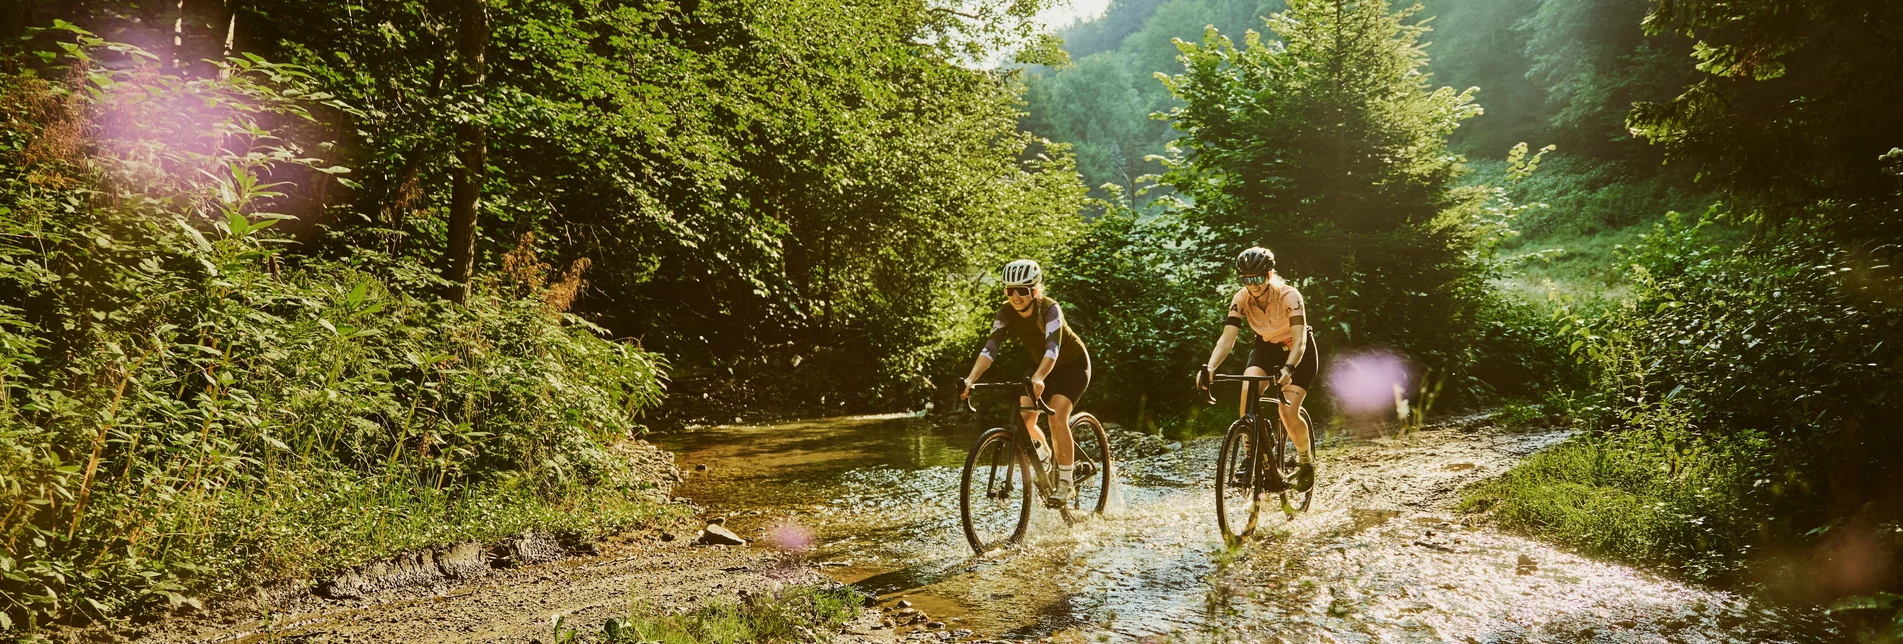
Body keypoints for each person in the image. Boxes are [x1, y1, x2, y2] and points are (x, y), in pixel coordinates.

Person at [961, 259, 1093, 507]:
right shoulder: (1006, 312)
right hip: (1040, 366)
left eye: (1022, 291)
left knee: (1056, 416)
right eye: (1010, 290)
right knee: (1024, 418)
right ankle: (1044, 459)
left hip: (1072, 365)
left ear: (1034, 291)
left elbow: (1053, 348)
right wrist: (971, 379)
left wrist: (1040, 376)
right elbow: (990, 348)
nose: (1015, 296)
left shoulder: (1050, 309)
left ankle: (1066, 483)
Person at [1196, 246, 1319, 493]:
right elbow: (1227, 339)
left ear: (1270, 274)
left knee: (1286, 411)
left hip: (1298, 353)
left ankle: (1306, 461)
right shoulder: (1241, 299)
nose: (1253, 285)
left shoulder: (1290, 296)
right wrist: (1209, 367)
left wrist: (1289, 368)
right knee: (1248, 387)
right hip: (1266, 349)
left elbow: (1300, 341)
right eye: (1247, 279)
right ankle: (1250, 456)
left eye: (1258, 278)